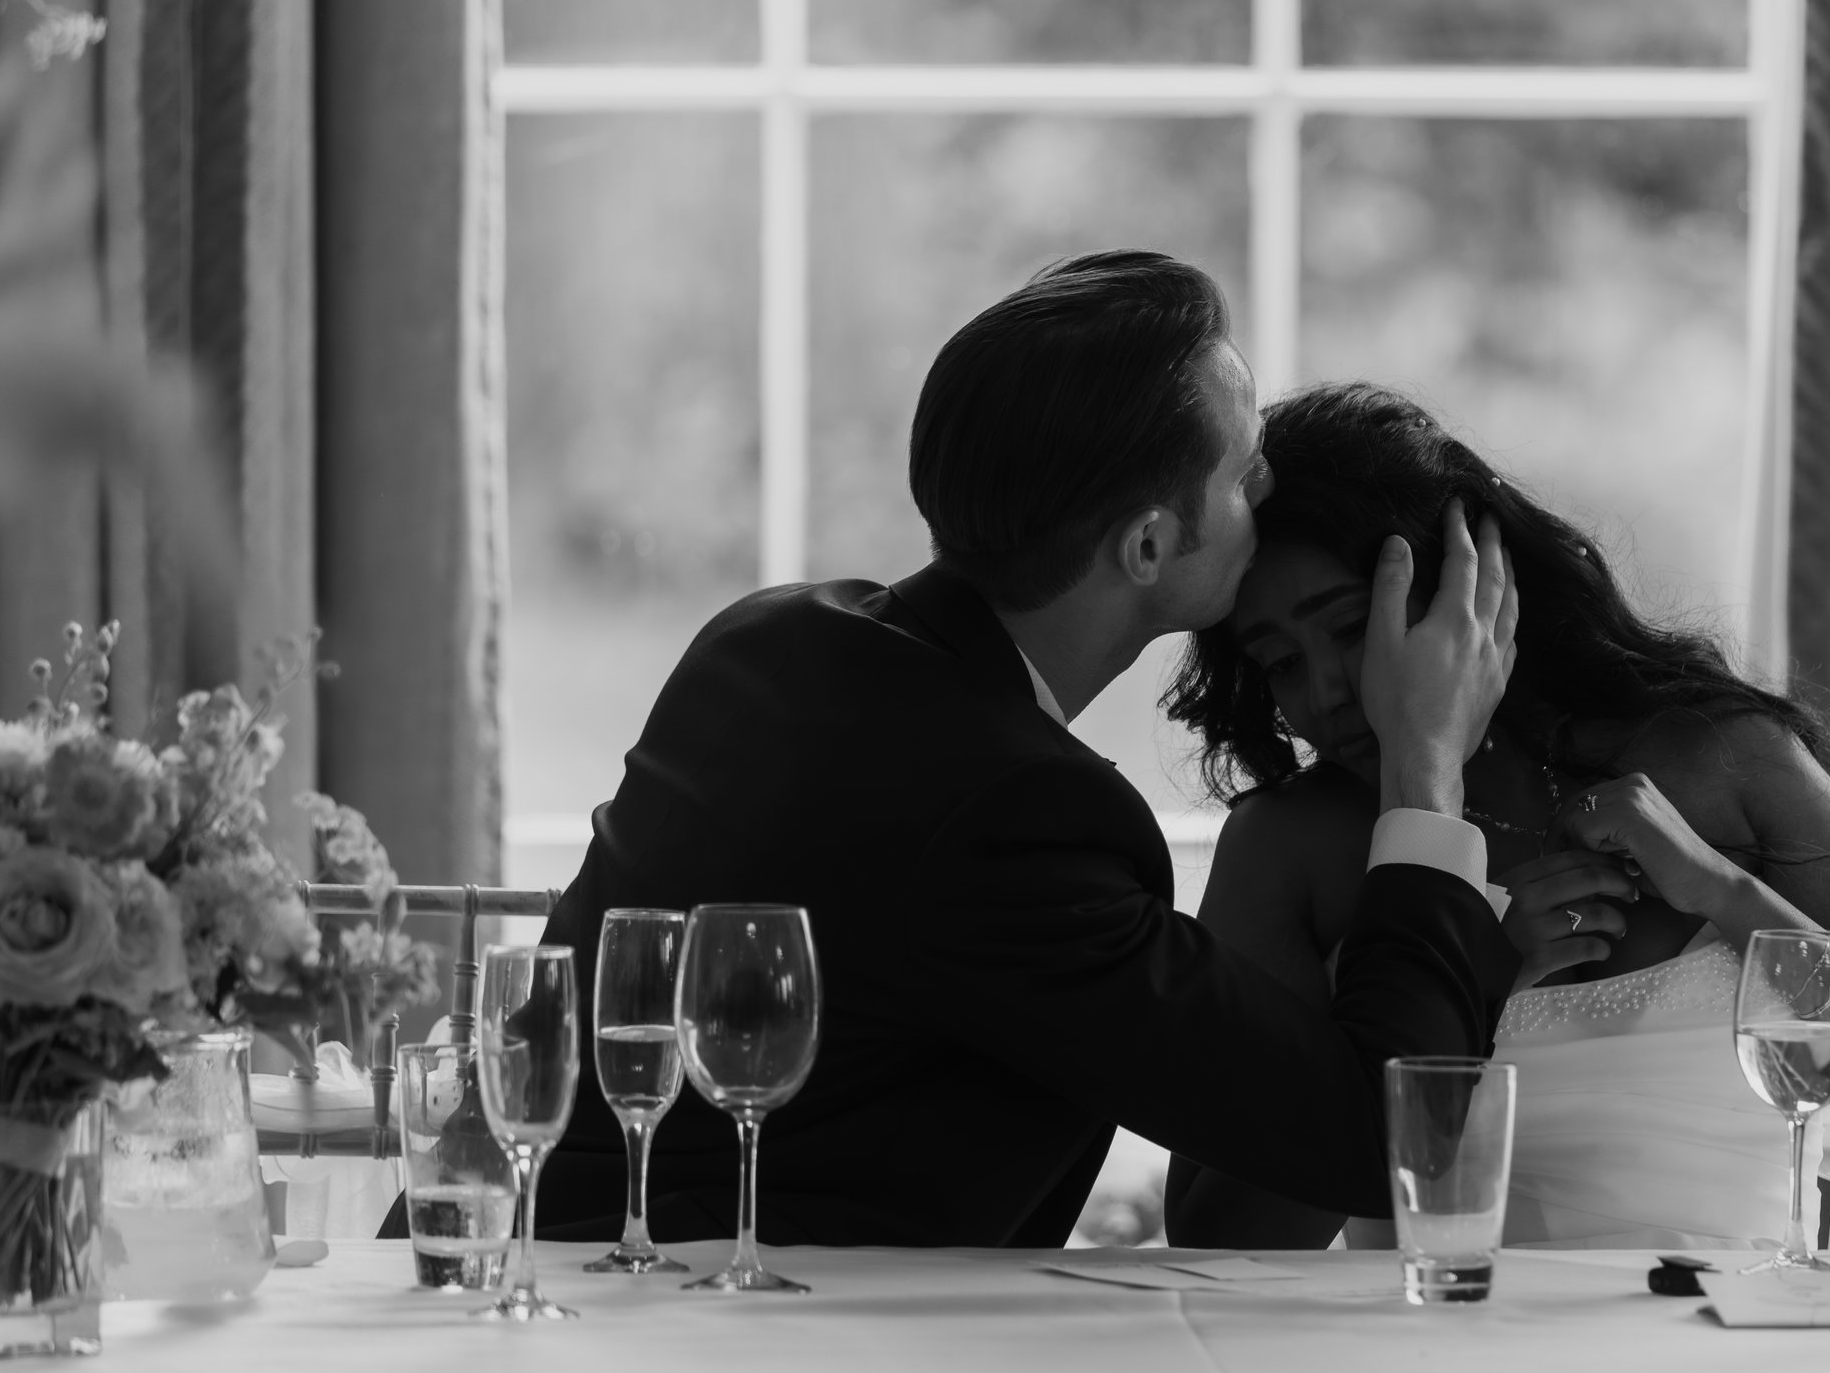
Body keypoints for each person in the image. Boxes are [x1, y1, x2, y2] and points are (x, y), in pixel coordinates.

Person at [526, 254, 1523, 1246]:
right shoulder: (1015, 813)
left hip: (515, 1262)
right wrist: (1425, 771)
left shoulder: (764, 639)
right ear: (1145, 546)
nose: (1268, 487)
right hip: (680, 1357)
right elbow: (1374, 1137)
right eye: (1241, 470)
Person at [1164, 383, 1830, 1251]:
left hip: (1729, 1359)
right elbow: (1221, 1233)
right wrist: (1476, 966)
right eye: (1279, 663)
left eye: (1348, 628)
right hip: (1426, 1363)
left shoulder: (1722, 760)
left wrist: (1727, 892)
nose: (1327, 693)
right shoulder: (1289, 845)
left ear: (1473, 588)